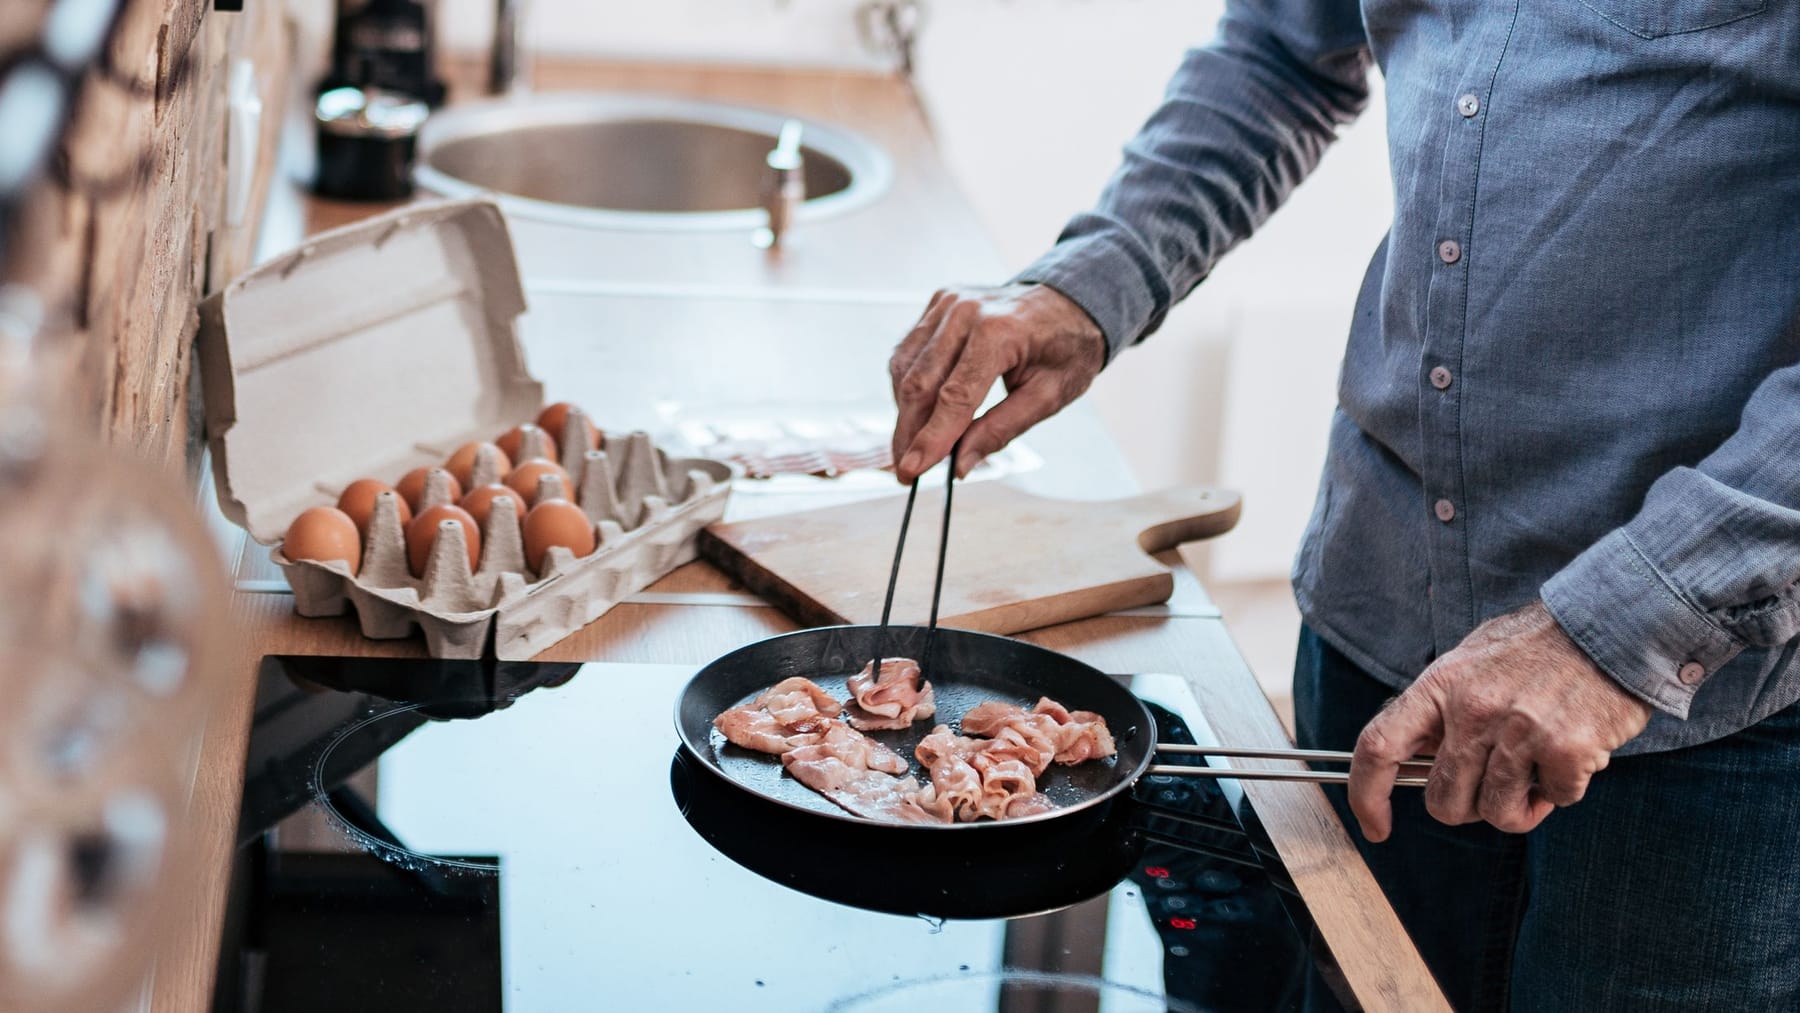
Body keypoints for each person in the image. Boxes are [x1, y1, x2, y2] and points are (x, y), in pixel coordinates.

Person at [886, 3, 1800, 1010]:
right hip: (1382, 631)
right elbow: (1281, 53)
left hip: (1708, 731)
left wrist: (1615, 629)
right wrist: (1093, 283)